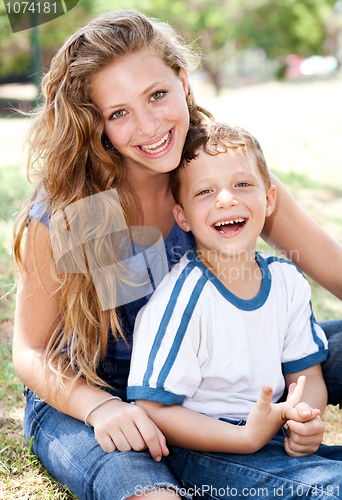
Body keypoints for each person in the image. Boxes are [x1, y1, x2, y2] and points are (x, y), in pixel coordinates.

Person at [11, 9, 342, 500]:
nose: (148, 125)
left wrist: (302, 405)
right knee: (149, 494)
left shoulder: (223, 178)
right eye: (118, 113)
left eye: (157, 95)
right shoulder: (75, 211)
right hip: (95, 389)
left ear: (183, 82)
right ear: (95, 124)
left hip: (219, 365)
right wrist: (100, 408)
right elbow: (32, 352)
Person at [127, 122, 342, 498]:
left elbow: (306, 375)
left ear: (269, 199)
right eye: (205, 192)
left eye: (243, 184)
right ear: (182, 217)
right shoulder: (182, 299)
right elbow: (152, 408)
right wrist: (244, 438)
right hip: (206, 451)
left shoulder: (287, 280)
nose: (226, 199)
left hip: (271, 437)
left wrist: (304, 418)